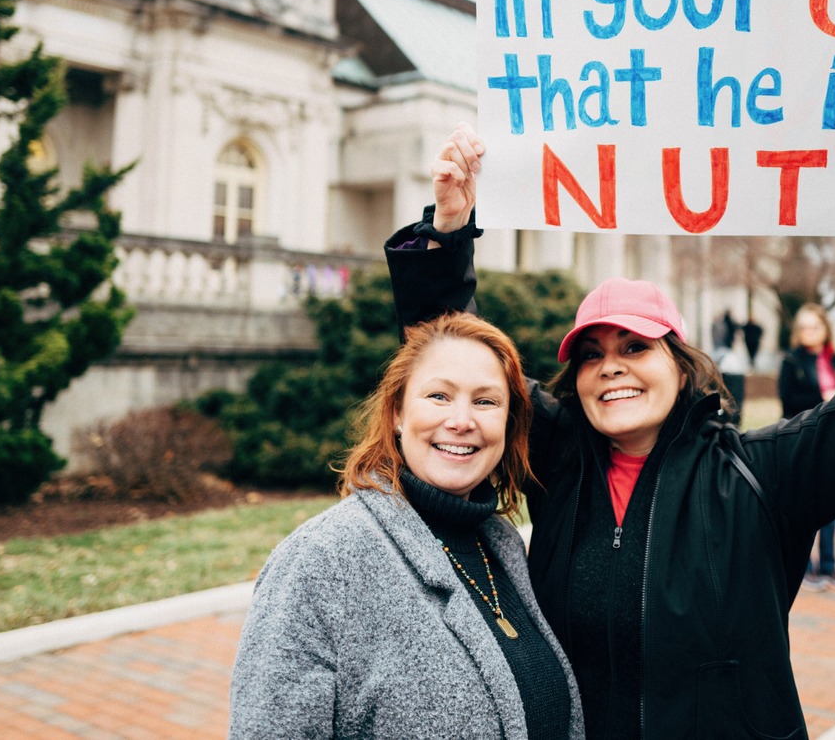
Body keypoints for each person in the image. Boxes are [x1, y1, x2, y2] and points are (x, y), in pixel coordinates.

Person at [386, 123, 835, 740]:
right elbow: (456, 358)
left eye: (635, 347)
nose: (611, 367)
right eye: (591, 353)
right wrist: (449, 230)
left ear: (680, 367)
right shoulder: (559, 461)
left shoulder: (763, 474)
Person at [228, 313, 584, 740]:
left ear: (509, 424)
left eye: (486, 401)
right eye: (438, 396)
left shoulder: (501, 545)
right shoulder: (321, 559)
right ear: (397, 412)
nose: (461, 421)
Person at [777, 303, 835, 590]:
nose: (808, 332)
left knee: (832, 505)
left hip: (831, 441)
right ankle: (804, 568)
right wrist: (822, 395)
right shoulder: (791, 361)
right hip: (802, 441)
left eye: (814, 326)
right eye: (803, 327)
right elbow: (788, 402)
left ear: (825, 329)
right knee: (805, 507)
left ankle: (829, 566)